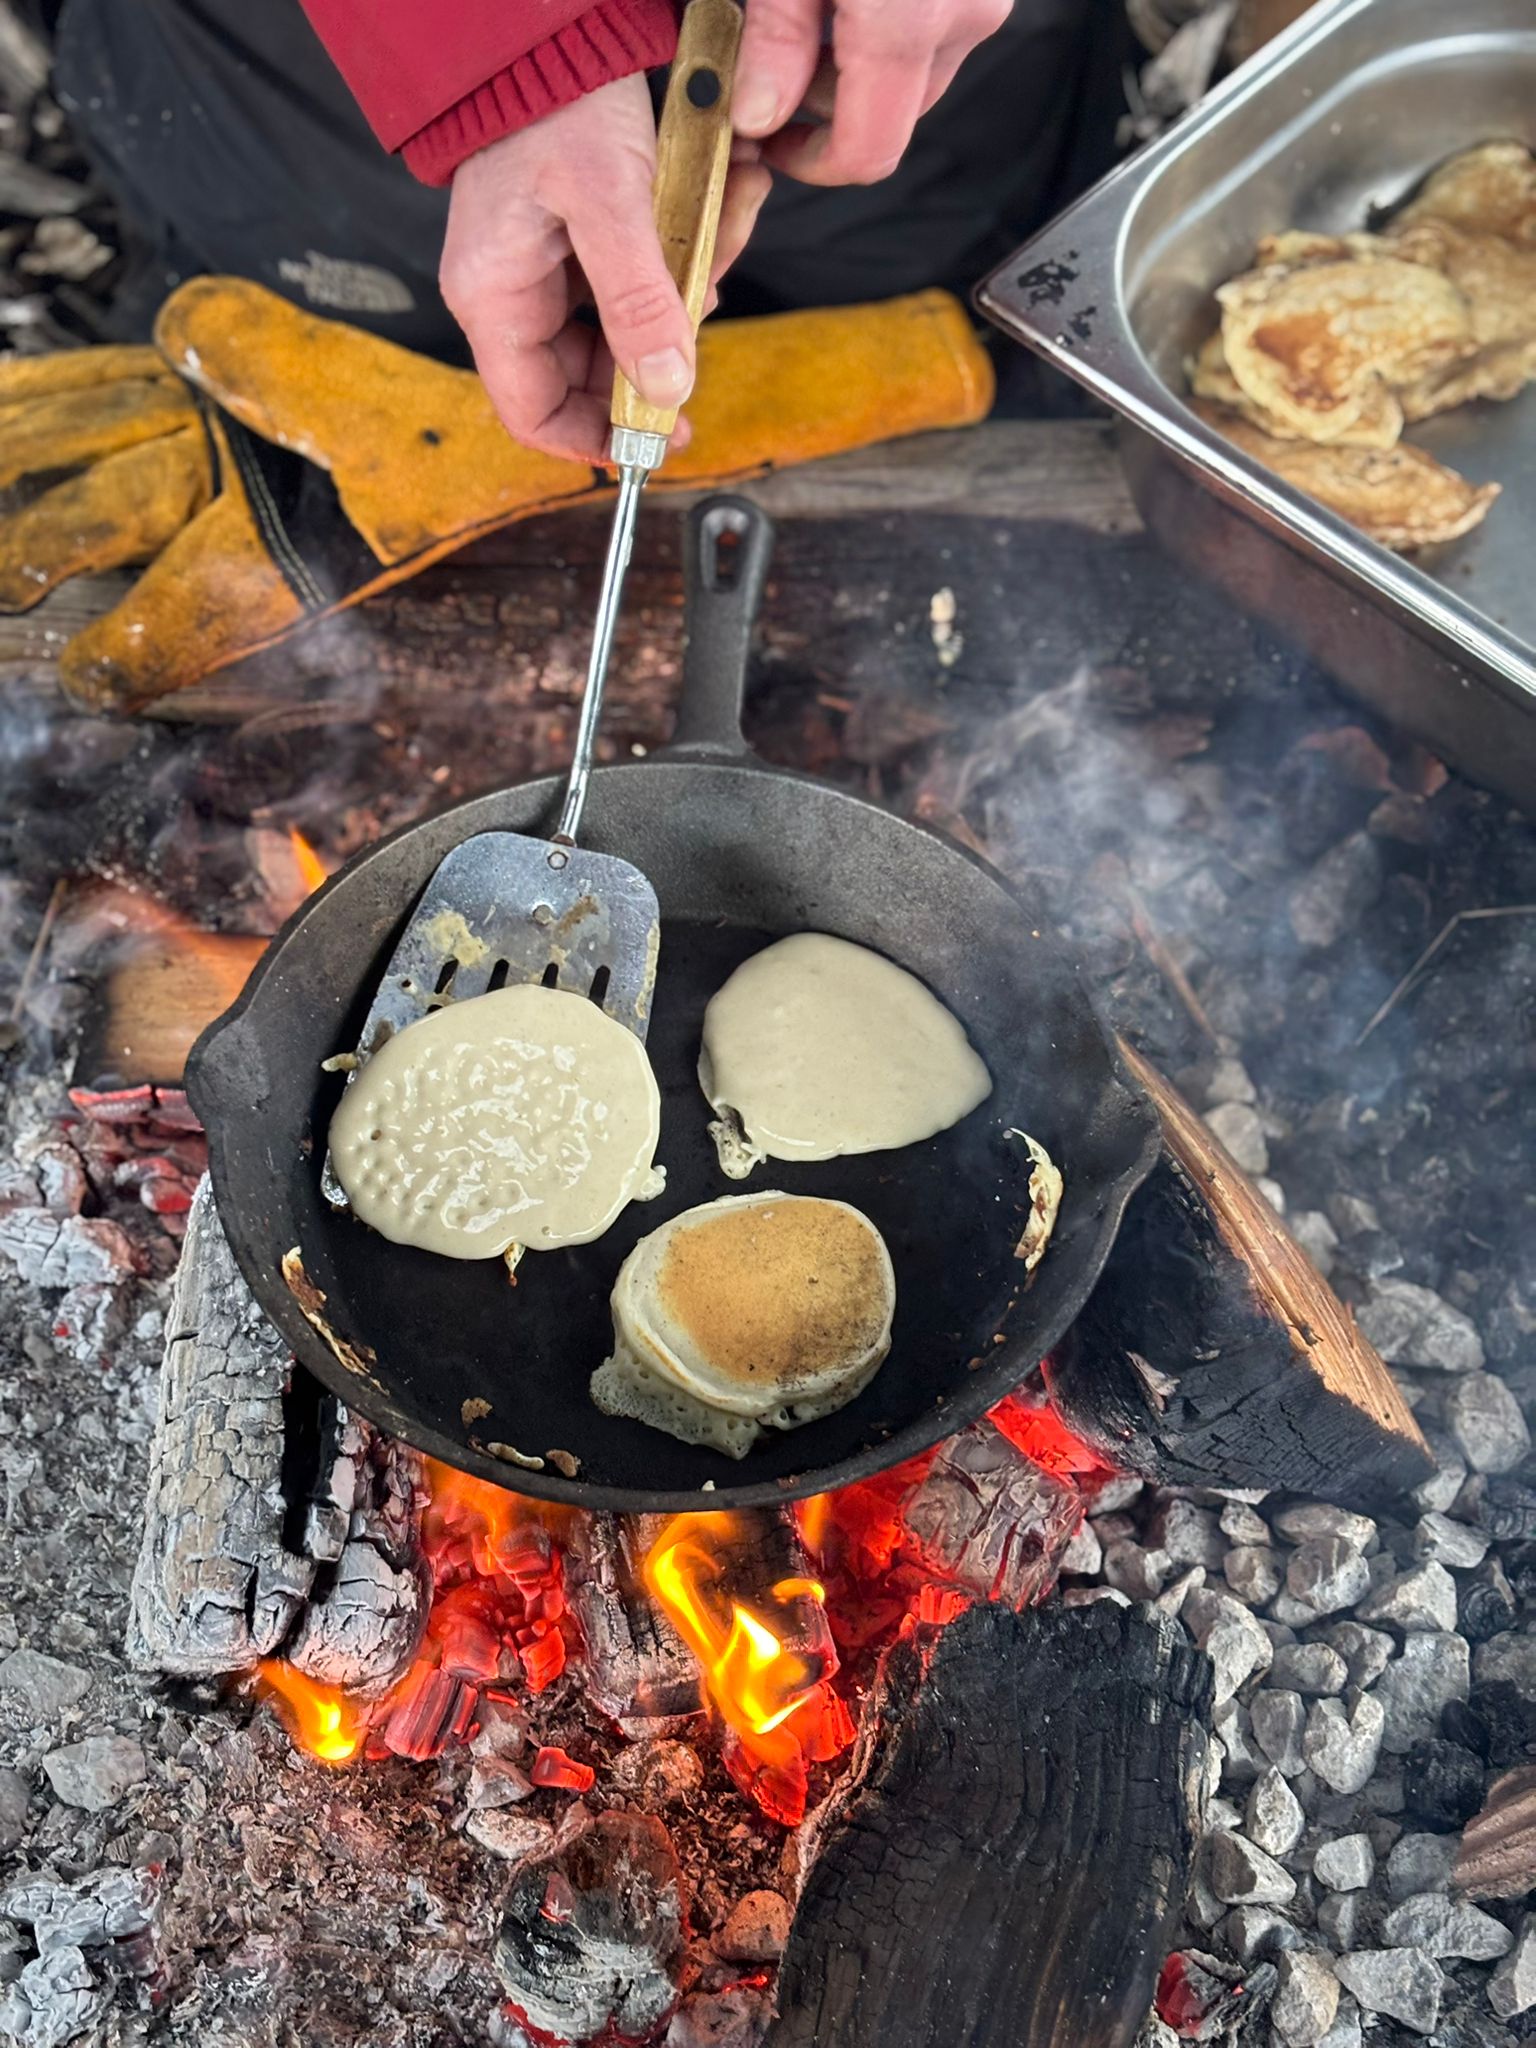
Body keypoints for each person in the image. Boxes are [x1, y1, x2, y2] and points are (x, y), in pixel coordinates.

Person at [44, 0, 1134, 447]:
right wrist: (503, 46)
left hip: (891, 45)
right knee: (357, 376)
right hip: (354, 51)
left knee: (920, 332)